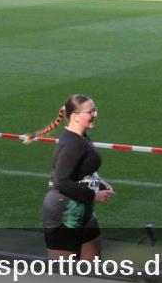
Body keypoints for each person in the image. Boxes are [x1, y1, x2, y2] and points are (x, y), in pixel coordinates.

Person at [24, 94, 114, 260]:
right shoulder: (73, 143)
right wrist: (94, 195)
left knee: (92, 268)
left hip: (82, 209)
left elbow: (79, 170)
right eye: (91, 111)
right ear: (75, 117)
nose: (95, 114)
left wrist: (98, 181)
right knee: (64, 274)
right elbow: (61, 180)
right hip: (64, 213)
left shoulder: (82, 138)